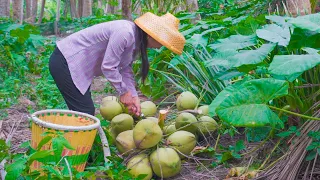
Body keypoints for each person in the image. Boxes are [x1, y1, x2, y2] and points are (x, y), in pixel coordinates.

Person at [49, 12, 185, 117]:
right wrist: (123, 92)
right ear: (152, 36)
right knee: (84, 113)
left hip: (76, 68)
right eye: (162, 42)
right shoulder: (125, 32)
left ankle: (79, 150)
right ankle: (75, 151)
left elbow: (125, 69)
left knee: (83, 113)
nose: (161, 46)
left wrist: (133, 96)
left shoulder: (136, 41)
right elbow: (108, 66)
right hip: (66, 61)